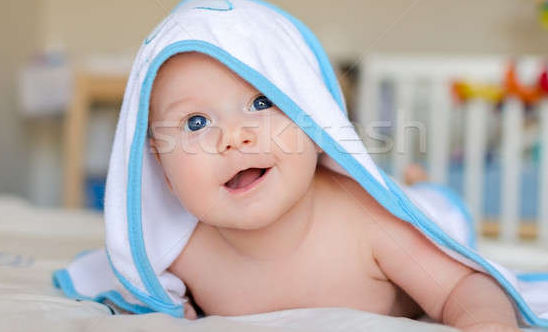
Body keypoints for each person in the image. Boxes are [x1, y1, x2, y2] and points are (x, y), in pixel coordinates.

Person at [146, 51, 519, 332]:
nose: (233, 136)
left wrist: (485, 325)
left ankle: (417, 183)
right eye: (196, 123)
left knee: (428, 202)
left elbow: (462, 285)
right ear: (162, 170)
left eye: (261, 103)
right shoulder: (178, 253)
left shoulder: (370, 222)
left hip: (430, 210)